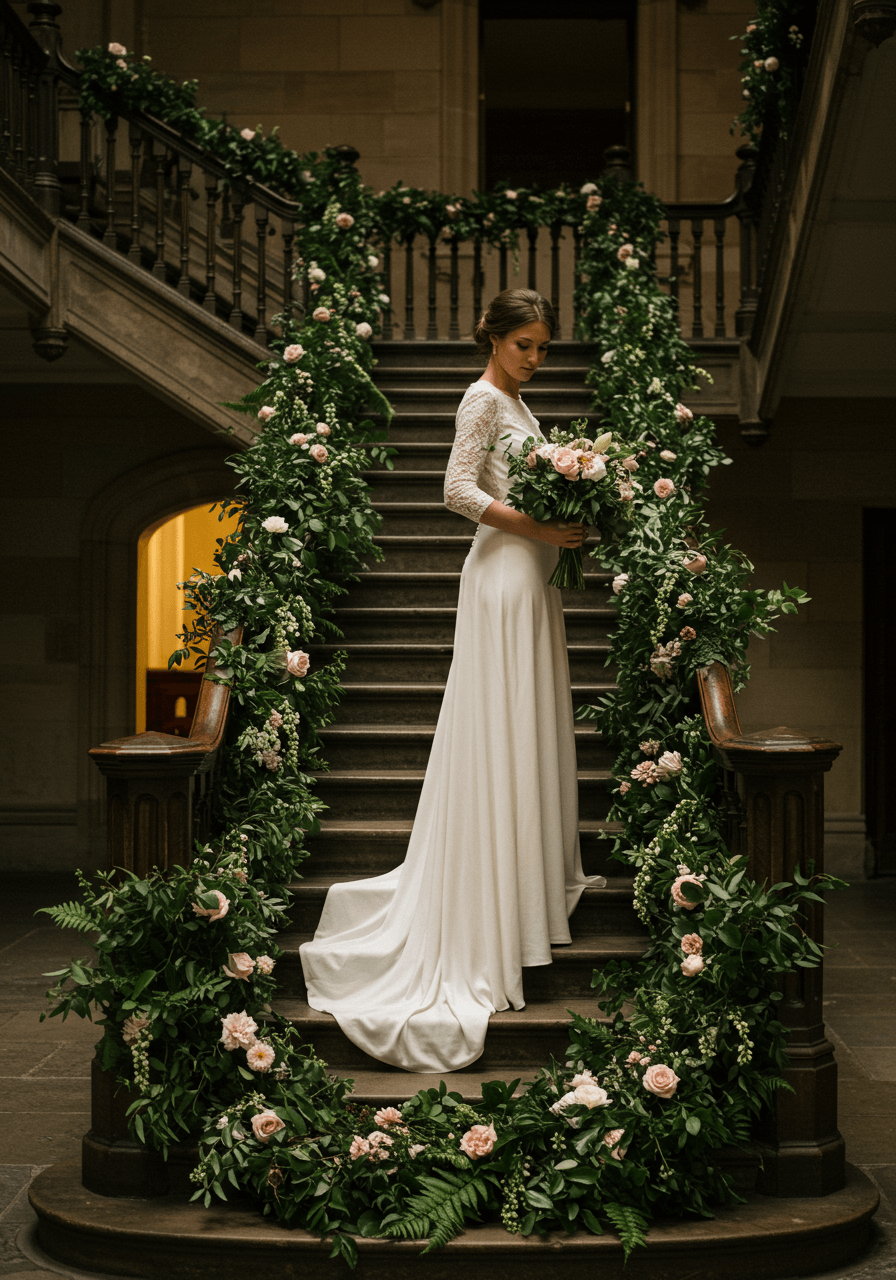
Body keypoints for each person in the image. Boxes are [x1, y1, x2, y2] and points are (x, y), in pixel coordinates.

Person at [299, 289, 604, 1073]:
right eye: (526, 345)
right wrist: (541, 526)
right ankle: (488, 917)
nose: (537, 359)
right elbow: (457, 492)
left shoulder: (515, 403)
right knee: (500, 736)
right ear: (494, 338)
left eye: (544, 347)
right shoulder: (480, 399)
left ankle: (525, 891)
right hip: (503, 578)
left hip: (531, 581)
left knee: (528, 733)